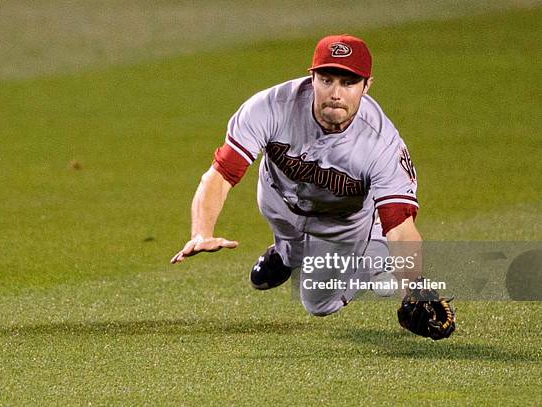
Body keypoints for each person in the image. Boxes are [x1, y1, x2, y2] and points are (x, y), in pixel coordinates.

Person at [170, 34, 422, 316]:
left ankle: (374, 252)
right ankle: (287, 254)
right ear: (312, 77)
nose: (335, 93)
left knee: (318, 304)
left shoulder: (381, 143)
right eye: (327, 79)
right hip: (278, 199)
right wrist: (201, 232)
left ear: (367, 86)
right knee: (288, 236)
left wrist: (415, 292)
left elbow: (400, 226)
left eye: (348, 82)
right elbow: (221, 175)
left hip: (341, 221)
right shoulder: (270, 107)